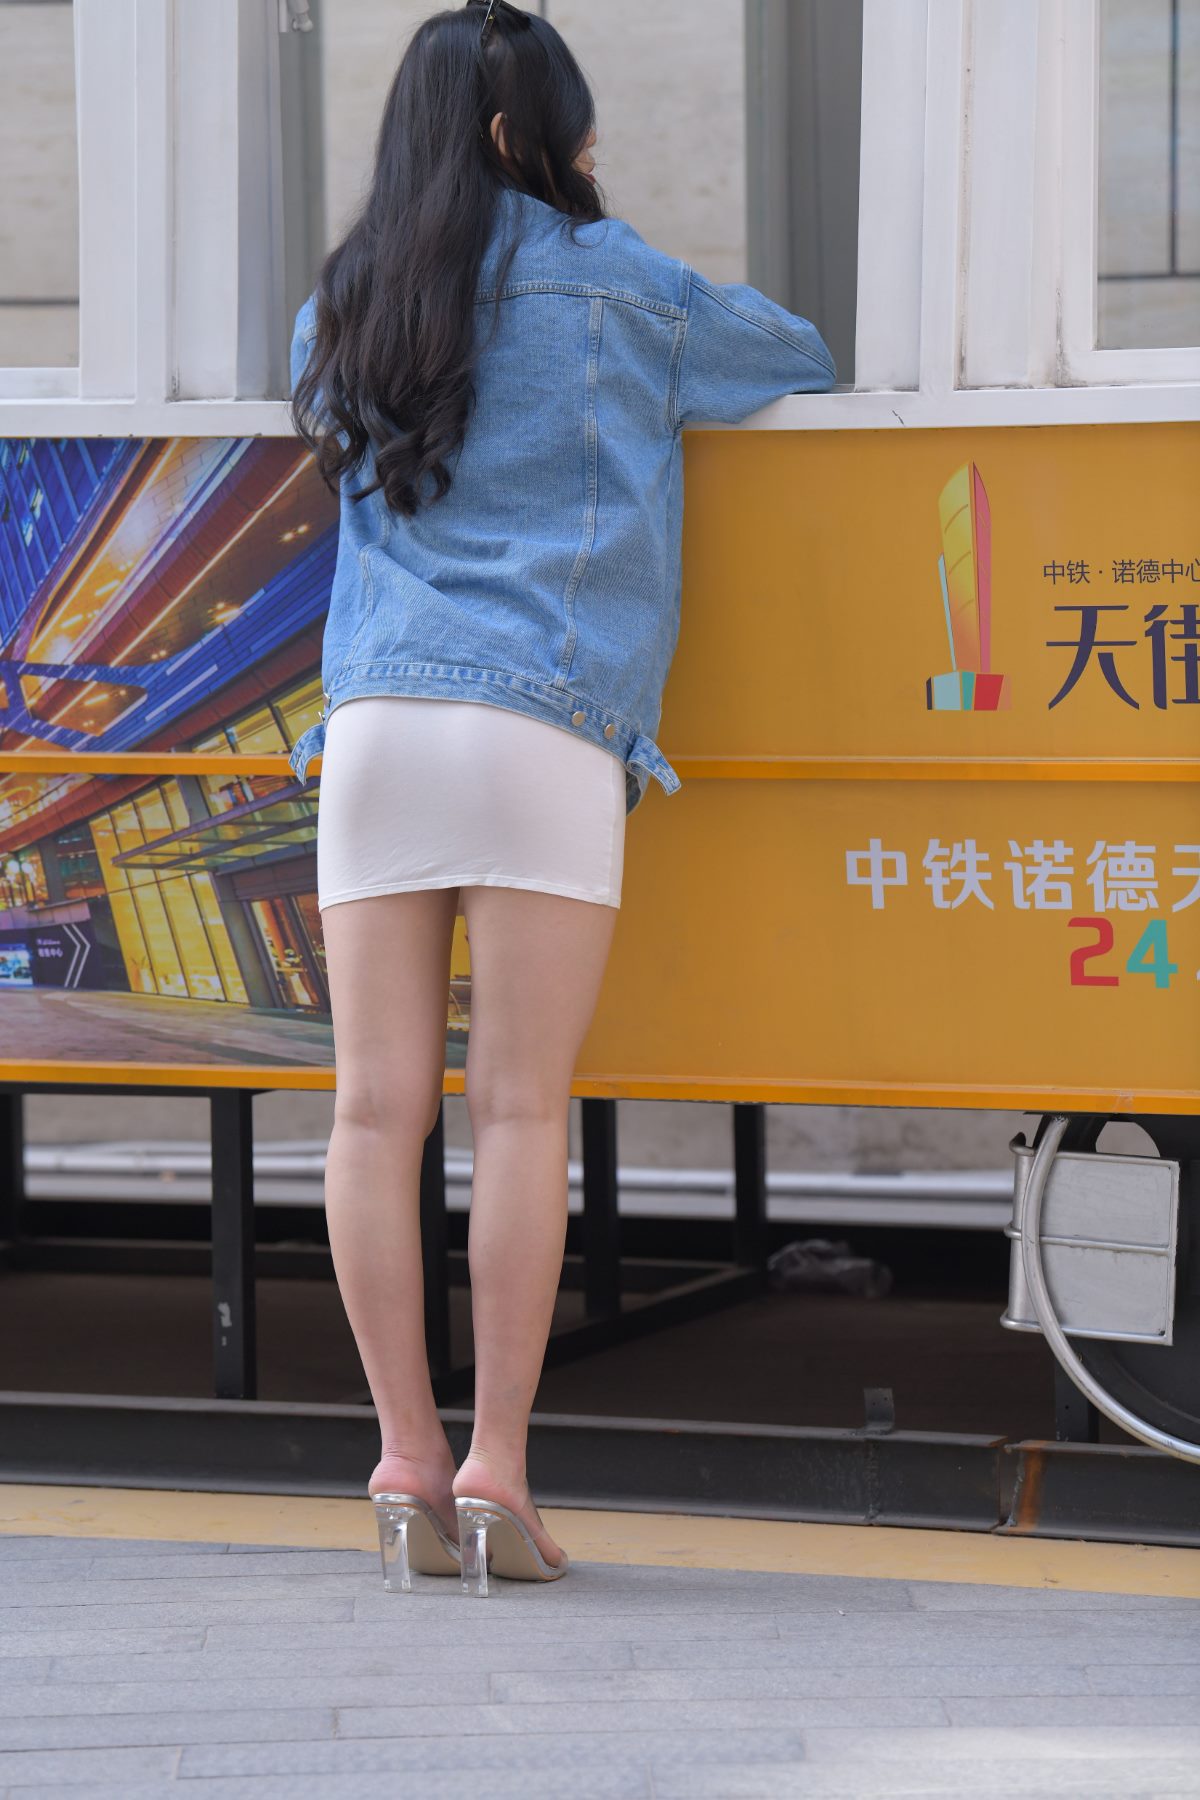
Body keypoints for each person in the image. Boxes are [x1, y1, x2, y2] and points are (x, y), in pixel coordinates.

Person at [288, 0, 836, 1597]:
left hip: (377, 726)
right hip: (543, 722)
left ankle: (401, 1458)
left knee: (371, 1111)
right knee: (519, 1107)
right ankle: (500, 1470)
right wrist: (595, 214)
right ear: (535, 132)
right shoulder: (621, 283)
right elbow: (794, 352)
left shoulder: (347, 302)